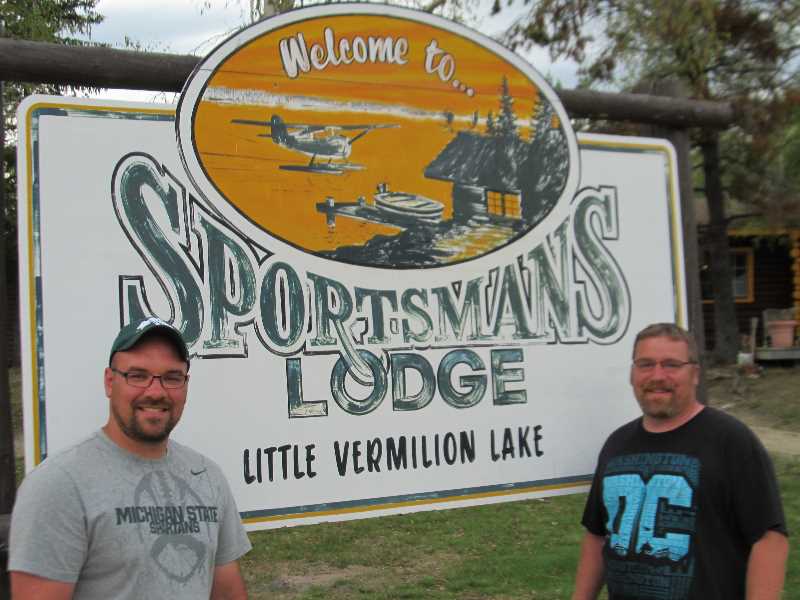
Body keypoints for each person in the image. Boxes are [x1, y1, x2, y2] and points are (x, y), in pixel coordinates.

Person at [8, 317, 251, 599]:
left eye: (172, 377)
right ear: (110, 382)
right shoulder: (58, 486)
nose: (156, 391)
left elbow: (227, 591)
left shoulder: (207, 476)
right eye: (138, 375)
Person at [573, 322, 788, 599]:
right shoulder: (617, 444)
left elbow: (769, 538)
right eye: (645, 364)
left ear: (695, 374)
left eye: (671, 365)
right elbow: (597, 536)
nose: (657, 376)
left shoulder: (731, 440)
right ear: (632, 373)